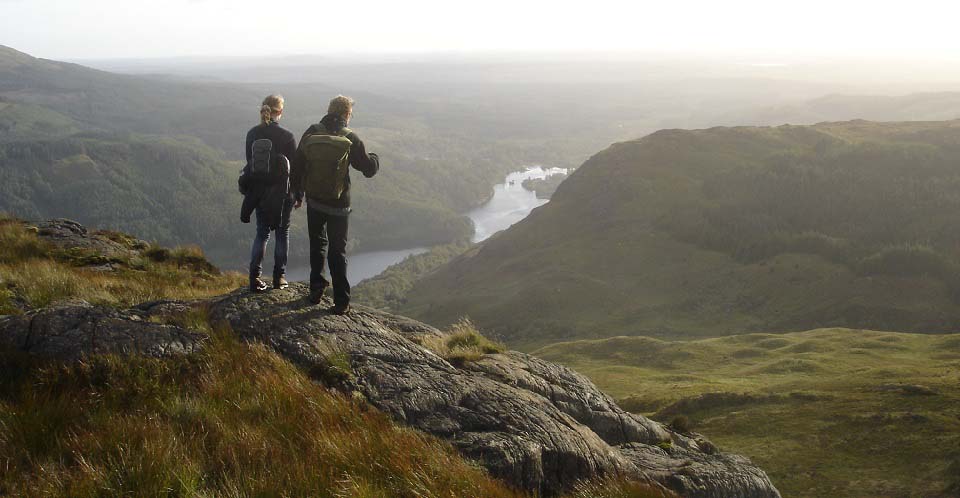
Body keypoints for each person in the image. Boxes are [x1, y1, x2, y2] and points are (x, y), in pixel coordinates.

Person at [291, 95, 379, 314]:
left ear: (329, 110)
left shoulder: (312, 131)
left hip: (315, 200)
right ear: (347, 114)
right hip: (339, 204)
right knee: (337, 250)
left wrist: (298, 193)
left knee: (317, 244)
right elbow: (368, 169)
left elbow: (297, 164)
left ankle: (316, 290)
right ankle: (341, 302)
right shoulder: (350, 137)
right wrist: (375, 158)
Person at [242, 94, 297, 292]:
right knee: (282, 233)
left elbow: (250, 163)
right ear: (280, 112)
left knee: (262, 233)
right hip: (283, 194)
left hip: (259, 192)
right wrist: (298, 195)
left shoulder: (252, 134)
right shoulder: (287, 136)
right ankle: (279, 277)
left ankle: (254, 277)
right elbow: (295, 170)